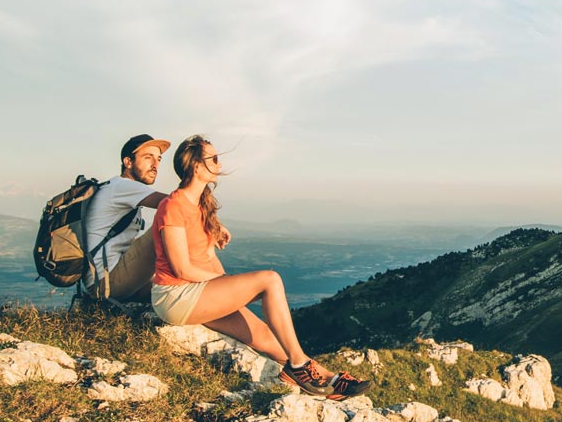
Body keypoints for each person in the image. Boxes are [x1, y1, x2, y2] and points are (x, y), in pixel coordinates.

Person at [152, 135, 368, 399]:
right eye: (214, 158)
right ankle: (299, 366)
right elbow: (182, 269)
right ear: (196, 167)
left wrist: (227, 287)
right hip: (175, 296)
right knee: (270, 280)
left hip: (198, 293)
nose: (219, 164)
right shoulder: (172, 206)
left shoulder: (200, 206)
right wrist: (227, 284)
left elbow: (206, 259)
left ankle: (330, 383)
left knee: (265, 335)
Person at [80, 134, 174, 303]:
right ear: (128, 162)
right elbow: (177, 204)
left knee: (174, 293)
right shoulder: (122, 186)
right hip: (106, 282)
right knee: (169, 225)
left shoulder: (117, 188)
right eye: (148, 158)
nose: (155, 165)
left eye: (158, 159)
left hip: (106, 280)